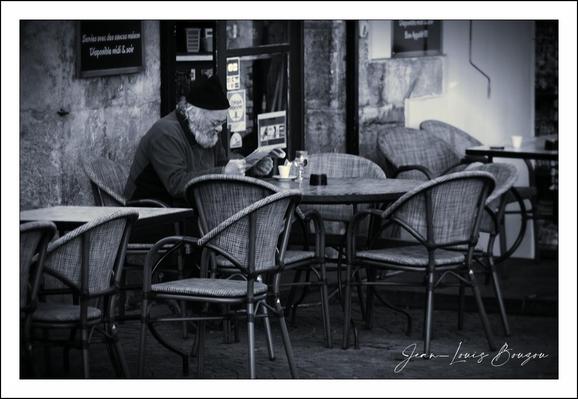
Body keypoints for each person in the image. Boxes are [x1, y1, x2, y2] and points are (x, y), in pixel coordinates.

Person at [124, 75, 273, 206]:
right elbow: (176, 184)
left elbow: (221, 164)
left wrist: (251, 167)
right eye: (215, 123)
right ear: (195, 115)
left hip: (189, 209)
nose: (220, 129)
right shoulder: (165, 133)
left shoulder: (206, 129)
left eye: (222, 123)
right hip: (152, 214)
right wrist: (223, 173)